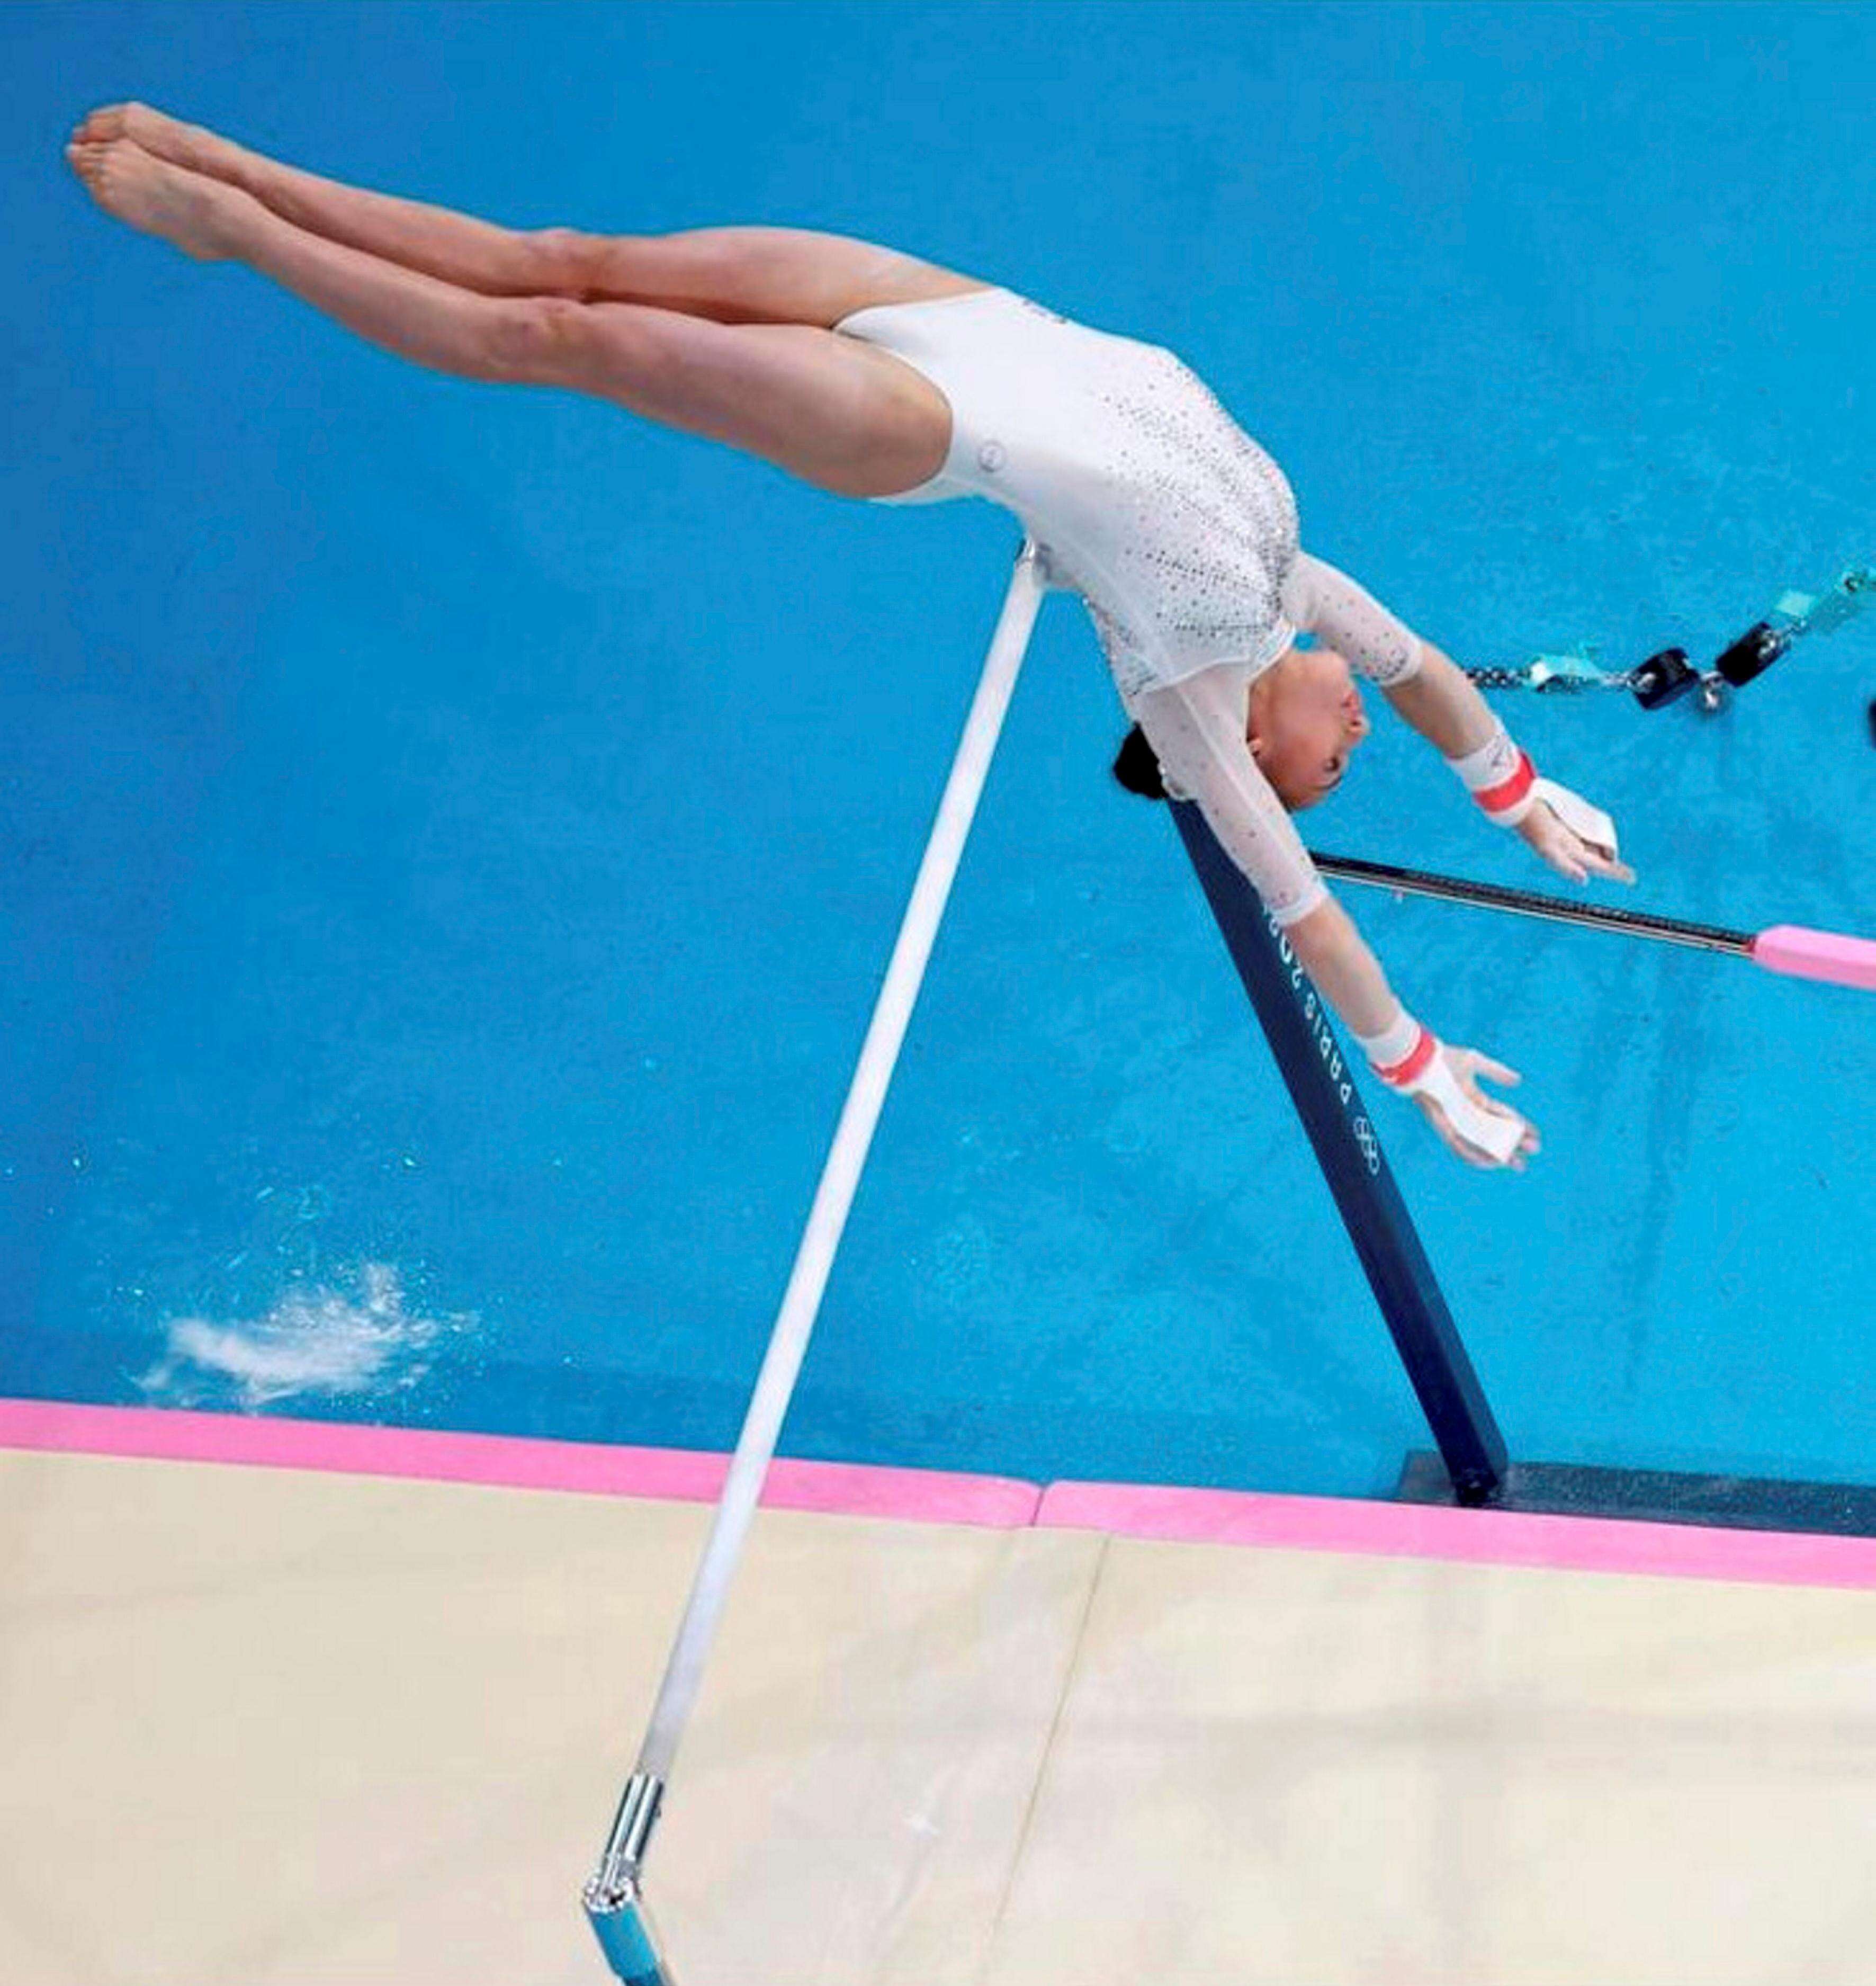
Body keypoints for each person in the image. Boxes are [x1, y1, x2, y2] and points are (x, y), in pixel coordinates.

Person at [66, 102, 1636, 1171]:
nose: (1346, 747)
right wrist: (1519, 791)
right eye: (1344, 757)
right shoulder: (1306, 593)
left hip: (927, 420)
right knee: (565, 251)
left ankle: (239, 233)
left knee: (560, 336)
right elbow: (1427, 678)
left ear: (1226, 757)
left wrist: (1420, 1067)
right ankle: (243, 161)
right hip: (969, 312)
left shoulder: (1191, 696)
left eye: (1322, 776)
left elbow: (1310, 925)